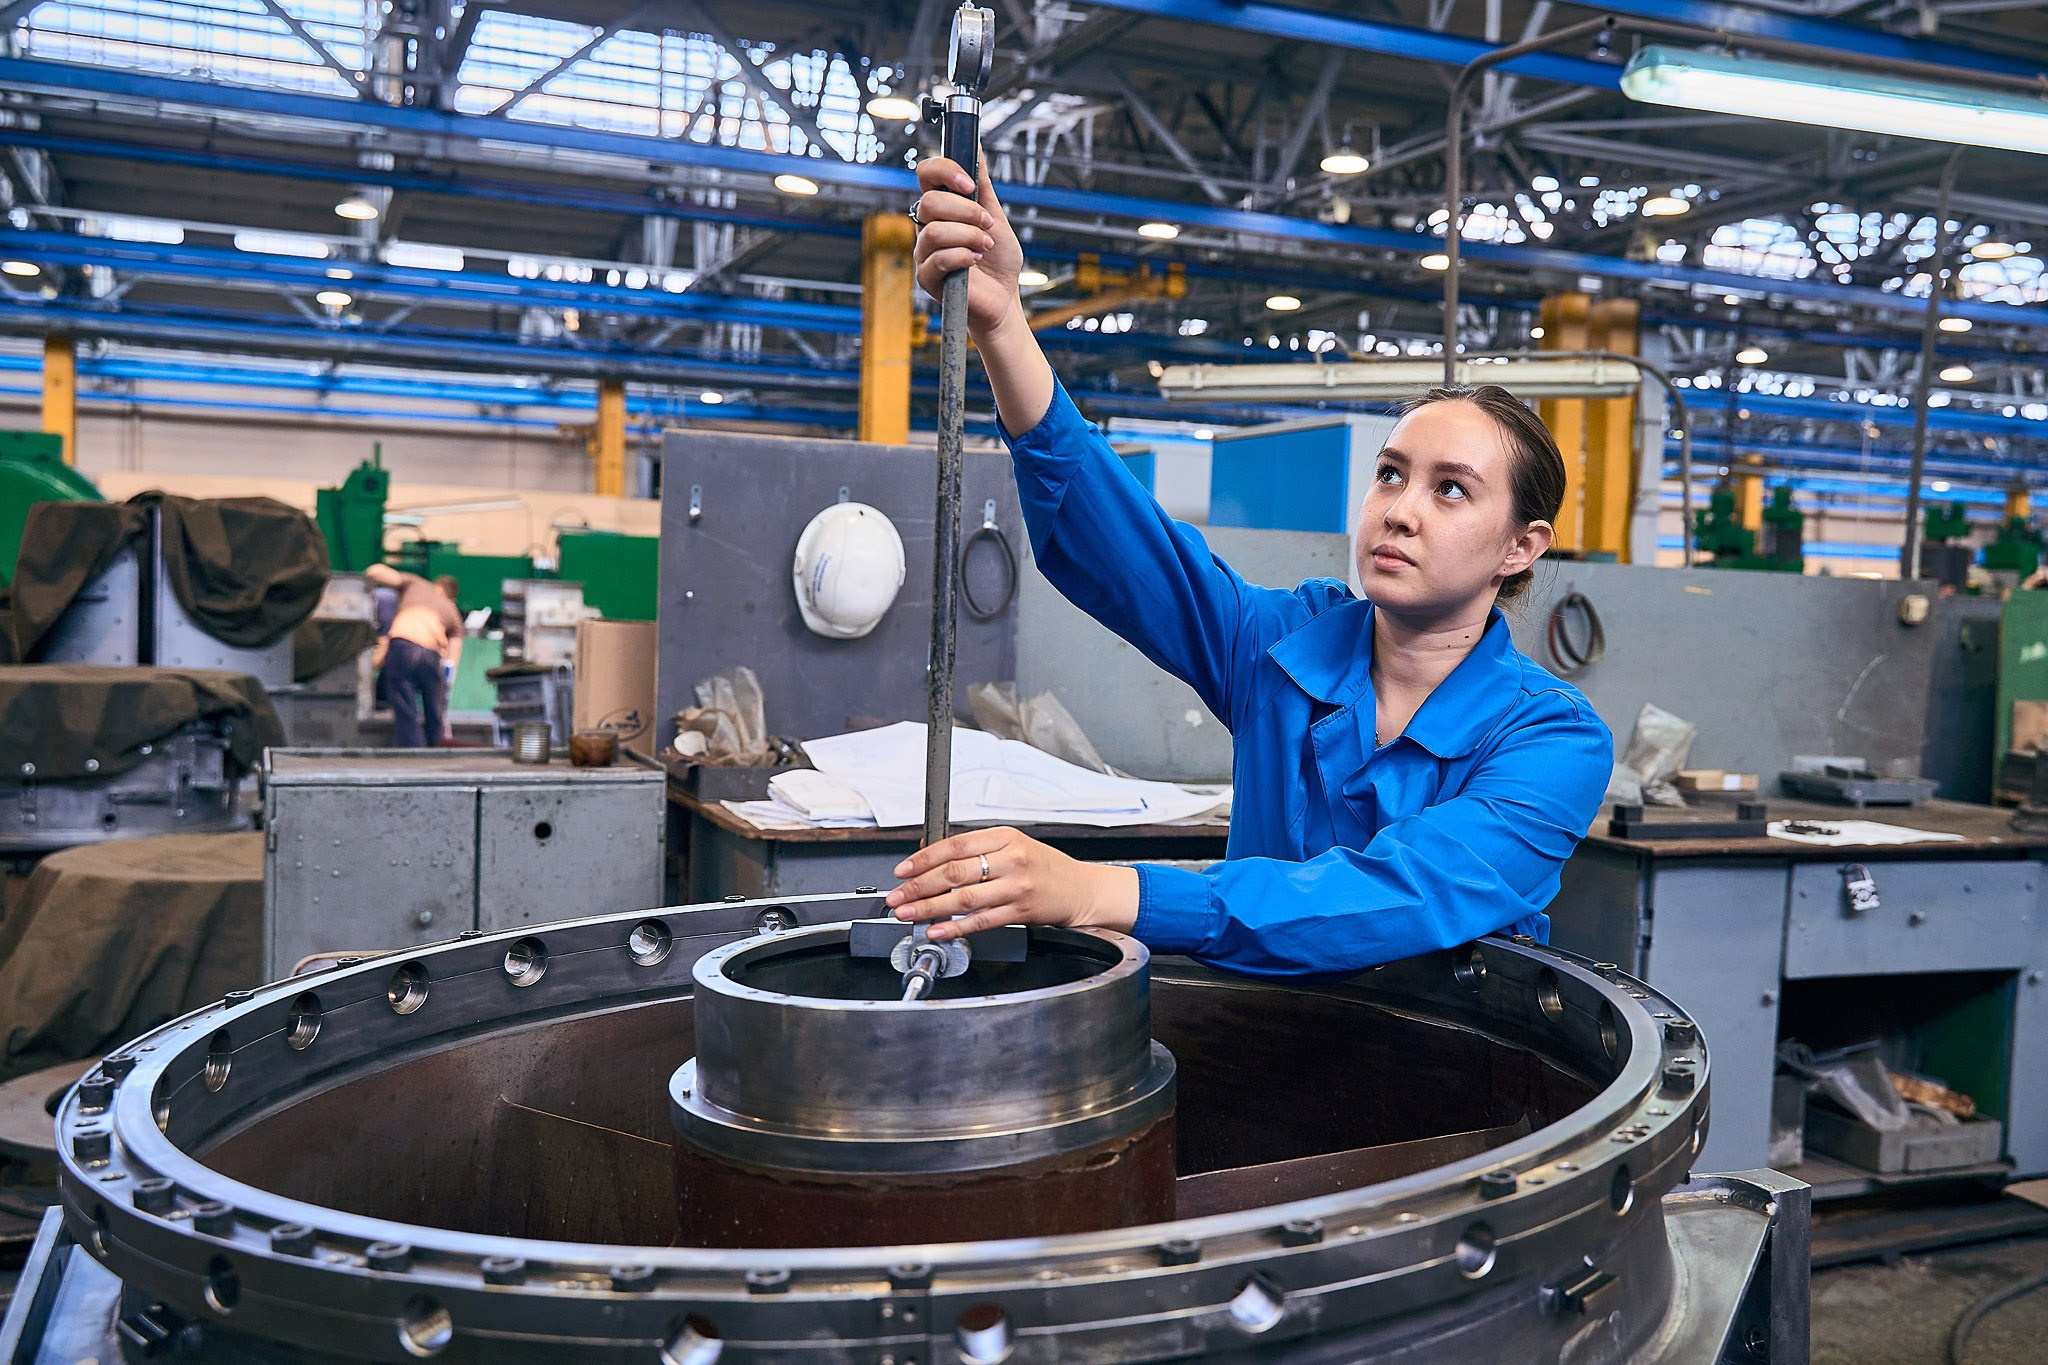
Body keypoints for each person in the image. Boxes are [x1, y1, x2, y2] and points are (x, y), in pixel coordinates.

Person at [885, 155, 1615, 978]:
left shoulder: (1553, 738)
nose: (1401, 509)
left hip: (1448, 1051)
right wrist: (1002, 322)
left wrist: (1100, 889)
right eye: (1390, 473)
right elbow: (1125, 547)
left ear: (1521, 546)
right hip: (1256, 1035)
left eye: (1451, 490)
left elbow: (1402, 891)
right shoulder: (1286, 647)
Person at [364, 564, 464, 747]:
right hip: (432, 655)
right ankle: (436, 752)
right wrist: (444, 685)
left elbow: (375, 572)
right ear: (452, 598)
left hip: (403, 646)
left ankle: (413, 752)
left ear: (436, 585)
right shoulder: (452, 611)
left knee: (405, 710)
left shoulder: (417, 584)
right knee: (434, 713)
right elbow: (451, 663)